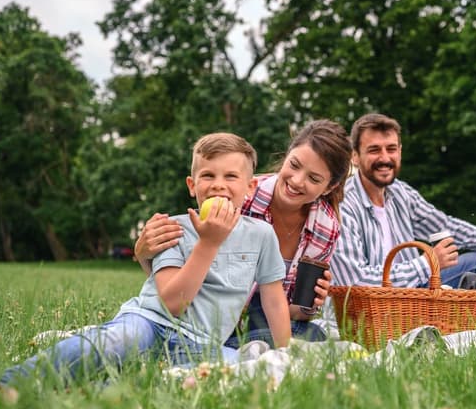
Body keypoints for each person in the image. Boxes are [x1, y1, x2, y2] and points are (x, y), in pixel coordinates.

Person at [1, 133, 289, 386]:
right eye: (208, 176)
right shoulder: (170, 228)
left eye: (230, 176)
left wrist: (285, 351)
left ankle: (117, 383)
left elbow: (273, 300)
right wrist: (209, 243)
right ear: (192, 185)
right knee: (118, 341)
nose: (218, 185)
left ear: (250, 187)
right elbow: (173, 303)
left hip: (202, 343)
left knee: (239, 368)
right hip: (149, 323)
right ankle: (14, 382)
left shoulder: (262, 235)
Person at [134, 120, 352, 346]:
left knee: (312, 334)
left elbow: (290, 310)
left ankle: (241, 345)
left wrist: (310, 304)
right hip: (211, 309)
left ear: (328, 188)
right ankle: (235, 344)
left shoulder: (325, 226)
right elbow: (183, 269)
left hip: (266, 316)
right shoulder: (241, 194)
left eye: (314, 178)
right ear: (286, 157)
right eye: (294, 165)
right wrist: (143, 256)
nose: (297, 181)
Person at [332, 113, 476, 288]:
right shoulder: (342, 203)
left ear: (400, 151)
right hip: (367, 306)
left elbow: (445, 226)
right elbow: (355, 282)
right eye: (374, 150)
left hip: (412, 296)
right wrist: (427, 263)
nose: (385, 158)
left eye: (391, 149)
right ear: (354, 156)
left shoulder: (400, 192)